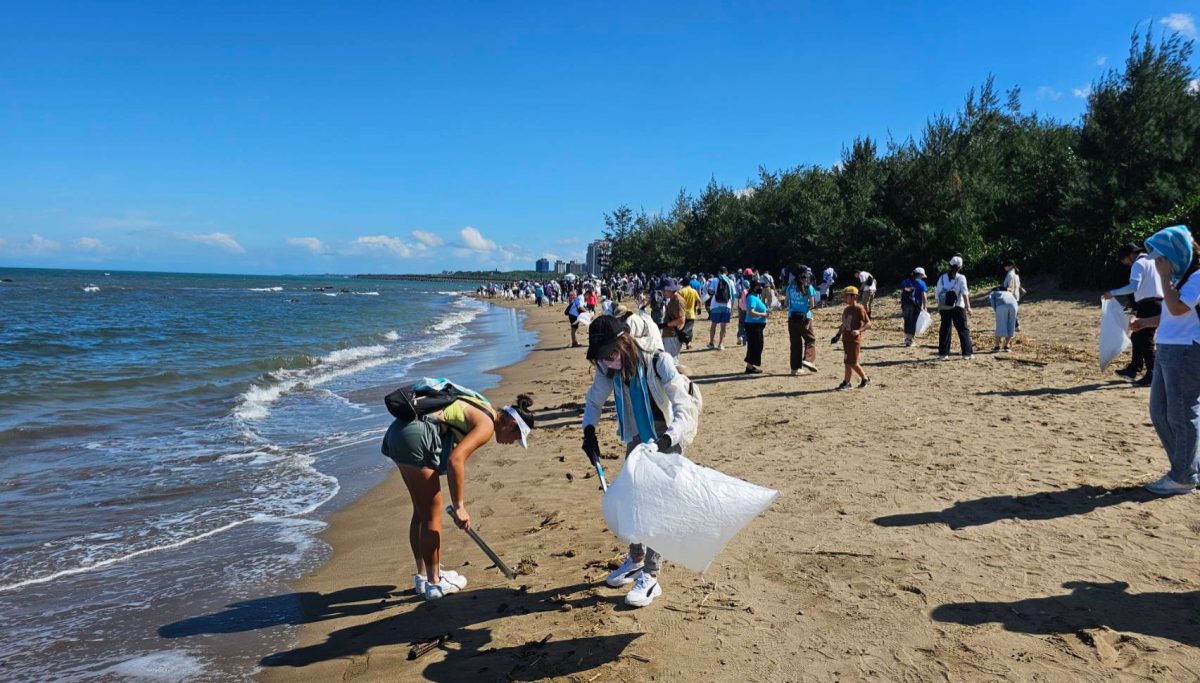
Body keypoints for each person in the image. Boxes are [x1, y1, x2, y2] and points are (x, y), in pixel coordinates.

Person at [581, 315, 701, 607]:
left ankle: (651, 576)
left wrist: (668, 439)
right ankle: (636, 557)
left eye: (610, 354)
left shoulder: (658, 360)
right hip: (637, 432)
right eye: (602, 357)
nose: (607, 361)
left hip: (667, 432)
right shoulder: (608, 366)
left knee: (657, 506)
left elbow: (684, 407)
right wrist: (589, 430)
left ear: (625, 342)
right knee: (632, 498)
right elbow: (595, 399)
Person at [381, 389, 534, 600]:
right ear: (511, 425)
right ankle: (434, 583)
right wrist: (459, 506)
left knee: (421, 510)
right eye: (517, 437)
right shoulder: (487, 425)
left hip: (399, 431)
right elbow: (456, 460)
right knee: (431, 514)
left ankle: (424, 576)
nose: (513, 442)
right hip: (416, 435)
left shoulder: (483, 406)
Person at [1137, 226, 1200, 495]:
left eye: (1162, 257)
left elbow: (1176, 307)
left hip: (1185, 351)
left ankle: (1184, 476)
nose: (1157, 262)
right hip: (1169, 349)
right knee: (1160, 412)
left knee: (1181, 414)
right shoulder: (1182, 277)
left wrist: (1163, 278)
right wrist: (1145, 322)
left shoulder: (1196, 276)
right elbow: (1174, 316)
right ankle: (1187, 468)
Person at [1104, 244, 1163, 386]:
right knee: (1137, 336)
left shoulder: (1138, 264)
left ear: (1130, 255)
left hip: (1149, 305)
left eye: (1124, 259)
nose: (1125, 263)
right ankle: (1134, 368)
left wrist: (1112, 293)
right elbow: (1150, 285)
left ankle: (1152, 374)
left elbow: (1133, 286)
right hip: (1157, 303)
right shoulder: (1152, 260)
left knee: (1145, 338)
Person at [935, 256, 973, 360]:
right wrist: (968, 307)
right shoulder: (961, 278)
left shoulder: (942, 277)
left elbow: (937, 292)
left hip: (945, 307)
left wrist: (939, 306)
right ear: (960, 267)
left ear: (950, 265)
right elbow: (965, 293)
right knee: (963, 329)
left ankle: (943, 354)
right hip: (958, 306)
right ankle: (967, 354)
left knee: (945, 329)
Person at [834, 286, 871, 390]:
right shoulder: (846, 310)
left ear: (854, 297)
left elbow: (869, 324)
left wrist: (859, 331)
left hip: (854, 340)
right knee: (847, 362)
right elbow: (844, 324)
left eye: (846, 296)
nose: (844, 298)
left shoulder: (859, 309)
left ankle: (864, 378)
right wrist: (838, 335)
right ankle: (847, 382)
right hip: (846, 339)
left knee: (852, 362)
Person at [785, 265, 818, 375]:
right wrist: (805, 309)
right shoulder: (809, 287)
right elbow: (812, 305)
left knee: (795, 343)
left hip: (791, 317)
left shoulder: (790, 286)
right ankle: (808, 360)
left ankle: (795, 369)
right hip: (805, 318)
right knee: (810, 339)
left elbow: (786, 303)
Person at [743, 282, 769, 373]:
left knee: (756, 345)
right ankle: (749, 367)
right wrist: (763, 314)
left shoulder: (756, 297)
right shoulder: (751, 297)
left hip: (756, 325)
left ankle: (750, 366)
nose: (761, 288)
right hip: (752, 325)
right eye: (759, 286)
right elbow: (750, 312)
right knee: (755, 345)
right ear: (754, 288)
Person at [708, 267, 736, 350]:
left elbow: (711, 291)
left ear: (719, 272)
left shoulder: (715, 280)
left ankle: (711, 342)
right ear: (726, 272)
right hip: (726, 305)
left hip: (715, 305)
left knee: (713, 325)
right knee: (723, 326)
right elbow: (733, 295)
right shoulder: (730, 281)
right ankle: (720, 344)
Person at [899, 267, 928, 347]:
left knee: (907, 320)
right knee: (913, 322)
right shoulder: (921, 283)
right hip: (915, 305)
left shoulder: (905, 281)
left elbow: (902, 291)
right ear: (920, 275)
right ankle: (909, 340)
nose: (922, 277)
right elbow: (924, 295)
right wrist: (925, 306)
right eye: (922, 276)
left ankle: (907, 338)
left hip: (905, 304)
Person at [659, 277, 687, 359]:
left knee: (672, 362)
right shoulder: (672, 299)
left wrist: (665, 325)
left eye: (664, 290)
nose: (662, 292)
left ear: (669, 289)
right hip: (669, 334)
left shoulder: (678, 300)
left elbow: (681, 320)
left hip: (673, 335)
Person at [989, 286, 1018, 352]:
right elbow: (1015, 300)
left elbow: (993, 303)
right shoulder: (1008, 293)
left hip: (1002, 305)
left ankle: (997, 346)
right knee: (1011, 324)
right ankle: (1006, 346)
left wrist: (996, 311)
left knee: (1000, 325)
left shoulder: (993, 293)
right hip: (1014, 305)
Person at [677, 278, 701, 351]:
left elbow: (676, 302)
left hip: (681, 313)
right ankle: (688, 343)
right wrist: (699, 308)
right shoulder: (694, 291)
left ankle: (682, 342)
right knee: (689, 329)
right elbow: (699, 301)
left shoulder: (680, 291)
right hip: (691, 313)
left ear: (682, 284)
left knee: (682, 328)